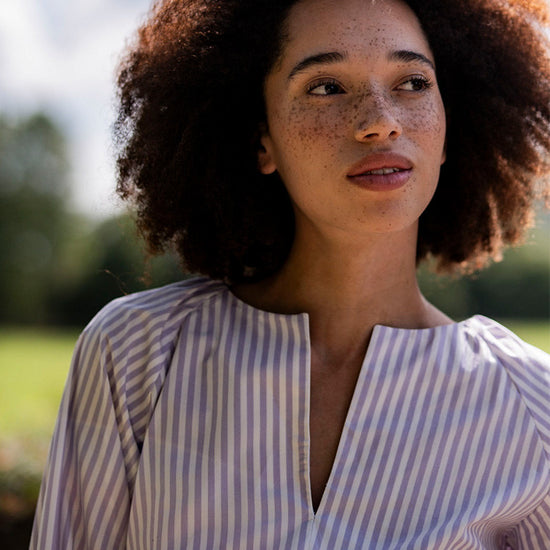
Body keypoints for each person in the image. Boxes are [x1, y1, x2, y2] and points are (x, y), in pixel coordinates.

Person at [31, 0, 550, 548]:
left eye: (414, 82)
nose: (380, 120)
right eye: (326, 86)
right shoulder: (136, 354)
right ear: (263, 142)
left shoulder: (534, 407)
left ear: (449, 124)